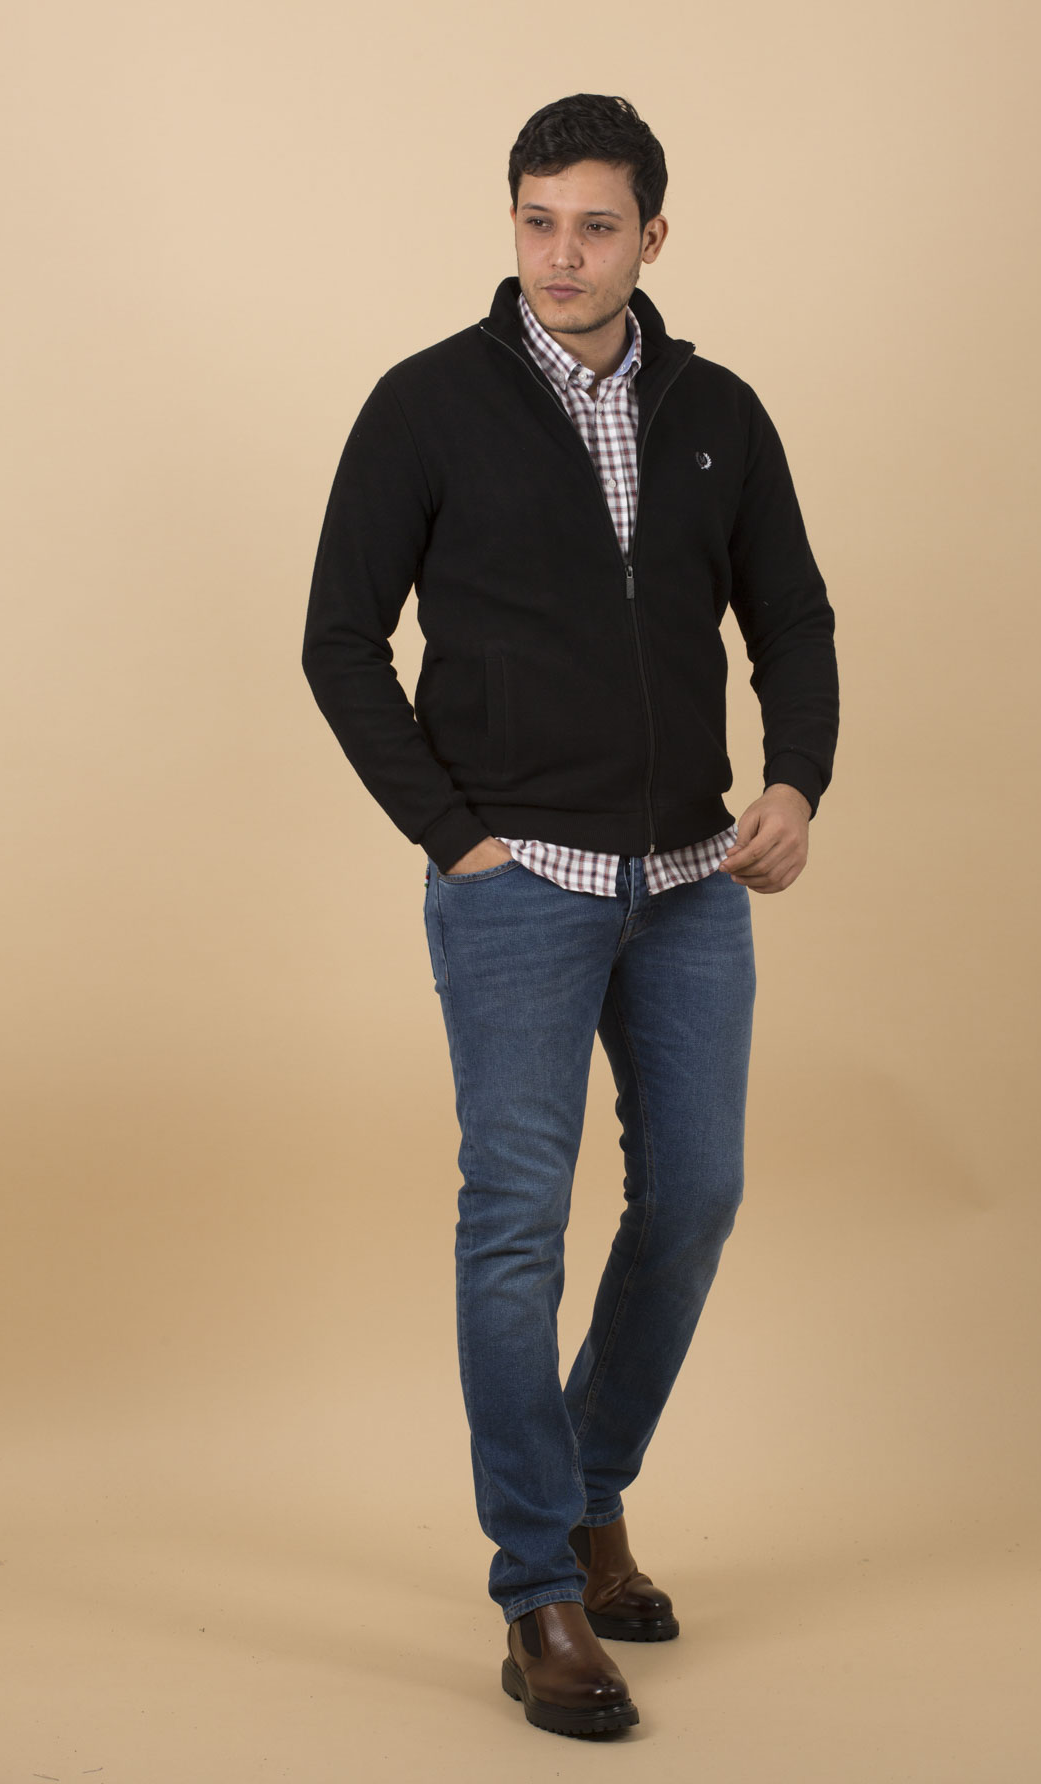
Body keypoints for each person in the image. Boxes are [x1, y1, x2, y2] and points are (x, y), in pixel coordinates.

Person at [301, 92, 839, 1740]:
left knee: (695, 1199)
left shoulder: (716, 412)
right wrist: (455, 838)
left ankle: (592, 1492)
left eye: (596, 225)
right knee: (515, 1224)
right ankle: (540, 1585)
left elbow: (792, 614)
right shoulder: (426, 406)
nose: (561, 254)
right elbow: (339, 640)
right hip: (516, 887)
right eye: (538, 221)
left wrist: (797, 782)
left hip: (687, 885)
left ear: (651, 237)